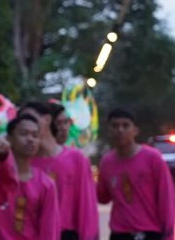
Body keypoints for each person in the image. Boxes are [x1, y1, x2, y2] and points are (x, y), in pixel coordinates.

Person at [19, 102, 99, 240]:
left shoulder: (76, 159)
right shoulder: (25, 162)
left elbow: (87, 208)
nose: (27, 123)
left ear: (47, 120)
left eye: (31, 118)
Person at [97, 108, 175, 240]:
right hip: (119, 234)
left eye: (125, 125)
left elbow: (166, 199)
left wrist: (168, 234)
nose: (120, 130)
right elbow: (103, 198)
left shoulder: (152, 158)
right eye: (115, 126)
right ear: (109, 131)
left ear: (135, 130)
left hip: (149, 232)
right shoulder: (107, 162)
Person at [0, 114, 60, 240]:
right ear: (8, 138)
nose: (30, 139)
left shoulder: (46, 184)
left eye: (35, 135)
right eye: (24, 133)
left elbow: (49, 230)